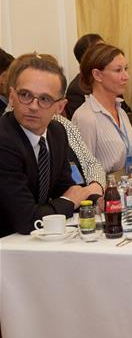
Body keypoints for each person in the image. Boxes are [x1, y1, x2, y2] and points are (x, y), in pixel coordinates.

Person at [0, 54, 102, 236]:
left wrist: (96, 200)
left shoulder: (57, 132)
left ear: (60, 107)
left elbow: (65, 188)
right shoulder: (4, 140)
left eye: (45, 99)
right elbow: (27, 220)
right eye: (25, 95)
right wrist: (70, 201)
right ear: (12, 97)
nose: (33, 106)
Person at [71, 44, 132, 177]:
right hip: (106, 188)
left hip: (129, 185)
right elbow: (84, 172)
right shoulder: (85, 117)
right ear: (97, 75)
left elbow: (131, 161)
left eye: (126, 69)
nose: (126, 76)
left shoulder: (121, 111)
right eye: (118, 70)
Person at [64, 33, 104, 118]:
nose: (107, 54)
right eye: (100, 51)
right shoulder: (76, 90)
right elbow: (78, 122)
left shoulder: (108, 79)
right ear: (86, 58)